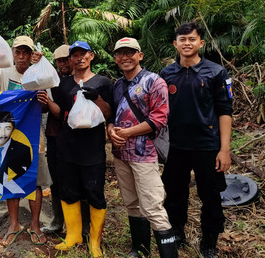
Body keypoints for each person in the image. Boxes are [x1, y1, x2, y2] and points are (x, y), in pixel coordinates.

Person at [159, 22, 232, 258]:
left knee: (210, 195)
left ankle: (209, 241)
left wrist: (224, 150)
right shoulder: (166, 74)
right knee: (174, 193)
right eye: (182, 39)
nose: (187, 43)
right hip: (175, 147)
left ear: (201, 42)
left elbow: (225, 111)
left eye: (192, 39)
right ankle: (177, 232)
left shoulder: (216, 72)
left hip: (207, 146)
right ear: (175, 44)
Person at [107, 37, 177, 258]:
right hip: (120, 153)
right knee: (132, 203)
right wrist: (111, 130)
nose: (125, 57)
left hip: (144, 153)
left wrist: (126, 133)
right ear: (116, 58)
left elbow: (159, 119)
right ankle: (140, 249)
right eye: (120, 53)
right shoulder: (118, 85)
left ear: (140, 55)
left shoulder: (154, 82)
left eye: (130, 52)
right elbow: (112, 114)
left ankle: (169, 254)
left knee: (153, 206)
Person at [43, 41, 112, 257]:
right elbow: (60, 112)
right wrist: (46, 101)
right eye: (75, 55)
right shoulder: (62, 85)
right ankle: (73, 236)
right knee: (68, 190)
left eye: (83, 54)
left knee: (94, 192)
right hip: (66, 146)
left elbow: (109, 113)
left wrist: (97, 98)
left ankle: (95, 241)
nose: (79, 58)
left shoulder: (103, 82)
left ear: (91, 56)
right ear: (70, 59)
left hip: (92, 148)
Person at [0, 34, 48, 246]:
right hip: (6, 137)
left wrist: (43, 101)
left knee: (35, 181)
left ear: (31, 55)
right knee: (10, 178)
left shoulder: (39, 73)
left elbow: (46, 106)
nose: (21, 56)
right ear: (12, 53)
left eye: (26, 52)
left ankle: (35, 224)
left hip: (34, 136)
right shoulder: (4, 70)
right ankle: (14, 224)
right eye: (17, 51)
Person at [41, 44, 70, 235]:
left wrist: (50, 103)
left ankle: (80, 226)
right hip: (53, 135)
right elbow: (45, 110)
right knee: (55, 181)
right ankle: (57, 221)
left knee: (74, 180)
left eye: (65, 59)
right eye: (58, 61)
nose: (62, 64)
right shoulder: (52, 79)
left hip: (74, 138)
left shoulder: (81, 81)